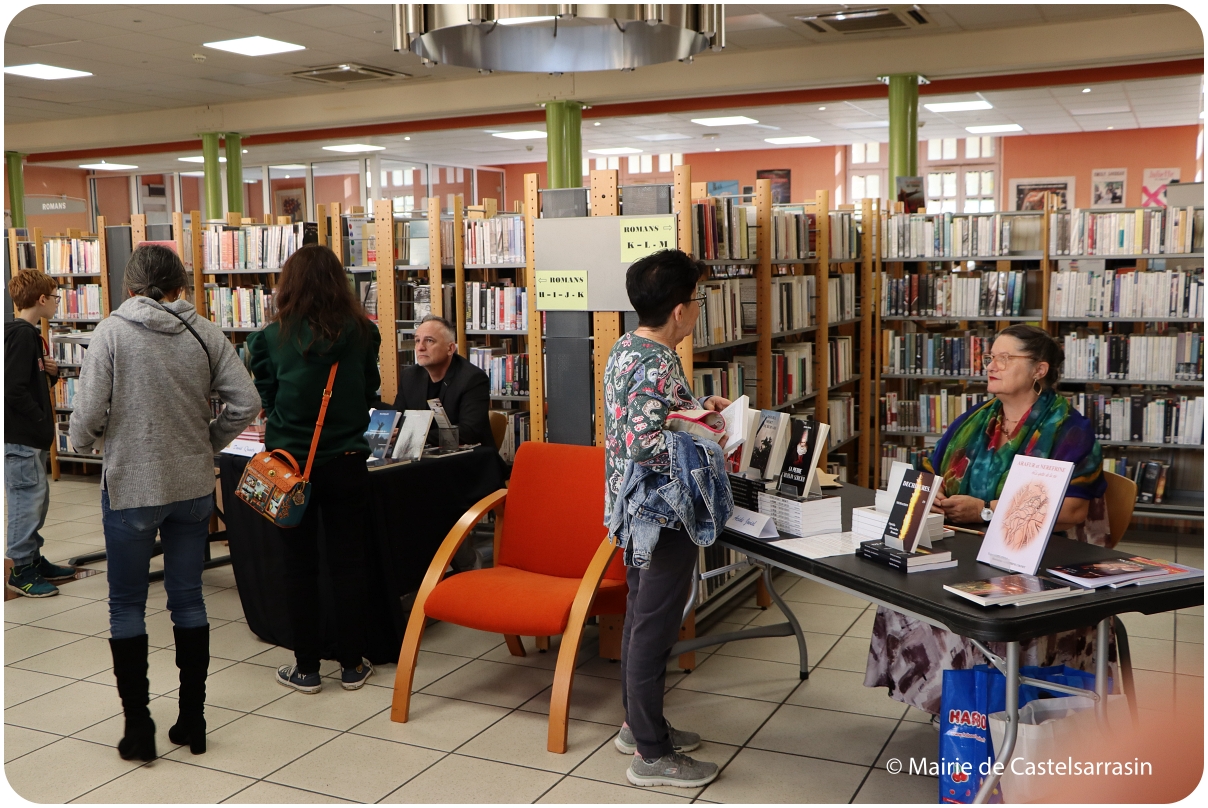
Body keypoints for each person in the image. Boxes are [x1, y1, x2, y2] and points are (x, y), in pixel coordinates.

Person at [71, 244, 260, 761]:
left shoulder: (111, 331)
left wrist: (85, 444)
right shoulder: (205, 331)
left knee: (127, 605)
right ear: (180, 286)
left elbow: (86, 415)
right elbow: (246, 402)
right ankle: (193, 721)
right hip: (194, 488)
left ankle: (139, 729)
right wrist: (208, 442)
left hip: (132, 486)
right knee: (189, 599)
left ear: (129, 286)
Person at [864, 324, 1109, 715]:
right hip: (969, 545)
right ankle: (956, 708)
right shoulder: (975, 420)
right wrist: (935, 490)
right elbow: (929, 470)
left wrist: (986, 510)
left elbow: (1075, 512)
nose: (991, 366)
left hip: (1038, 558)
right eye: (990, 357)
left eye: (1005, 358)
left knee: (970, 608)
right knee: (906, 587)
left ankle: (989, 711)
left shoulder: (1068, 429)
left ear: (1038, 370)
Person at [603, 249, 731, 789]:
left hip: (633, 512)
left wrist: (696, 410)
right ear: (680, 310)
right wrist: (708, 437)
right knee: (653, 627)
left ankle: (639, 726)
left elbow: (649, 414)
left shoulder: (627, 347)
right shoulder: (658, 362)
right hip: (662, 512)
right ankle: (651, 756)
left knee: (640, 617)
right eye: (697, 302)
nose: (698, 311)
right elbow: (645, 443)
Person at [246, 244, 381, 695]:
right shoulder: (364, 332)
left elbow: (266, 397)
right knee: (348, 563)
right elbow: (370, 391)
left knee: (296, 565)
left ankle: (305, 667)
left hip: (288, 469)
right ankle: (351, 664)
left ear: (290, 284)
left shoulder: (269, 338)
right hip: (346, 462)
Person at [5, 269, 76, 597]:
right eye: (55, 296)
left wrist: (52, 372)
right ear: (41, 299)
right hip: (21, 438)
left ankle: (33, 558)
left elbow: (32, 382)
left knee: (37, 501)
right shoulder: (21, 335)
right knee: (25, 501)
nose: (57, 302)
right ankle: (20, 570)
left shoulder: (29, 336)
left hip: (29, 438)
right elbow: (13, 389)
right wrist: (37, 421)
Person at [389, 315, 493, 448]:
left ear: (450, 349)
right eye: (417, 340)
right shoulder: (410, 377)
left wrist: (415, 435)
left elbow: (469, 432)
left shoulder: (472, 379)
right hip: (422, 455)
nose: (420, 347)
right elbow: (397, 420)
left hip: (467, 460)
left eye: (429, 341)